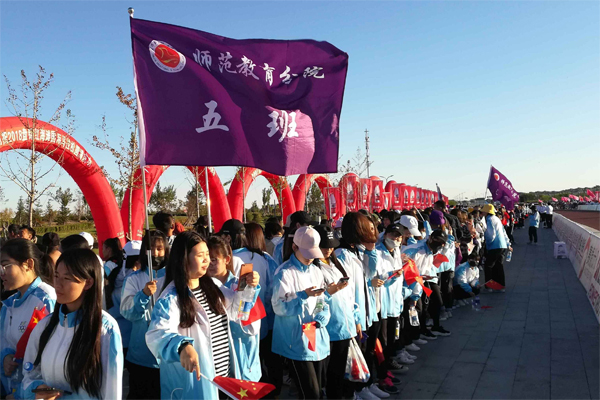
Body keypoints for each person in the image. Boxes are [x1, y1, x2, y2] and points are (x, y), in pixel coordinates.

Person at [146, 231, 258, 400]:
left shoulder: (214, 286)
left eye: (208, 255)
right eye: (200, 255)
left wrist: (248, 286)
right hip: (199, 382)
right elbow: (157, 333)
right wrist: (182, 346)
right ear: (184, 258)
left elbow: (237, 311)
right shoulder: (171, 298)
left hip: (225, 379)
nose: (207, 260)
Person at [21, 248, 123, 399]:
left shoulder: (104, 329)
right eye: (56, 276)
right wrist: (37, 389)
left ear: (88, 282)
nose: (58, 284)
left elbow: (111, 392)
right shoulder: (45, 326)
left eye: (66, 278)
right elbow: (29, 375)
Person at [271, 226, 331, 400]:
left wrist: (321, 317)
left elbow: (322, 301)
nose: (310, 258)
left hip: (315, 335)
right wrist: (302, 295)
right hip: (294, 340)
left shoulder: (316, 271)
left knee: (319, 388)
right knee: (310, 392)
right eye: (306, 253)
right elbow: (279, 307)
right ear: (294, 247)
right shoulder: (284, 273)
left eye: (313, 253)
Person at [334, 212, 387, 400]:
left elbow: (370, 273)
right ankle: (354, 391)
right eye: (369, 229)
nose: (373, 232)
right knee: (354, 357)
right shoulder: (342, 254)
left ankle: (366, 385)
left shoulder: (357, 251)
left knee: (368, 351)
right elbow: (346, 291)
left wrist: (371, 250)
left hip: (368, 311)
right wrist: (355, 318)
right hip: (356, 315)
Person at [0, 239, 56, 398]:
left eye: (5, 266)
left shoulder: (45, 301)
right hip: (11, 389)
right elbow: (5, 341)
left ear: (29, 264)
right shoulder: (9, 304)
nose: (1, 273)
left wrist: (21, 395)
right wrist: (6, 357)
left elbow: (50, 358)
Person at [120, 231, 169, 400]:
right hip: (141, 356)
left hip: (167, 357)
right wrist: (143, 295)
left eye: (160, 248)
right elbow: (127, 312)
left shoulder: (174, 278)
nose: (155, 253)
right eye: (151, 248)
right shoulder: (133, 279)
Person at [207, 236, 261, 381]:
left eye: (214, 260)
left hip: (242, 365)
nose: (209, 264)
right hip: (216, 366)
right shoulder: (201, 289)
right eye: (206, 260)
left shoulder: (246, 287)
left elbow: (252, 330)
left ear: (227, 259)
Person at [313, 225, 356, 399]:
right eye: (324, 246)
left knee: (340, 370)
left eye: (331, 246)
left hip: (345, 324)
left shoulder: (337, 264)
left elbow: (350, 294)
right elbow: (314, 301)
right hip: (328, 327)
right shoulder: (314, 268)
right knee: (329, 373)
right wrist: (329, 292)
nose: (328, 250)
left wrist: (355, 318)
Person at [403, 229, 451, 338]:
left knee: (422, 308)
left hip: (421, 283)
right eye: (437, 240)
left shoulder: (430, 251)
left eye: (442, 243)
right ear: (430, 238)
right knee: (414, 309)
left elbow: (426, 268)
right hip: (409, 285)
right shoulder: (416, 250)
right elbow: (407, 270)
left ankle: (418, 333)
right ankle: (411, 336)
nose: (439, 244)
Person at [480, 204, 511, 291]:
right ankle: (501, 285)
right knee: (499, 266)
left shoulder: (489, 220)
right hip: (502, 245)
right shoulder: (497, 218)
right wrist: (508, 243)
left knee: (489, 266)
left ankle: (489, 286)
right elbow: (503, 232)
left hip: (494, 245)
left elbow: (491, 235)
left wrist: (487, 242)